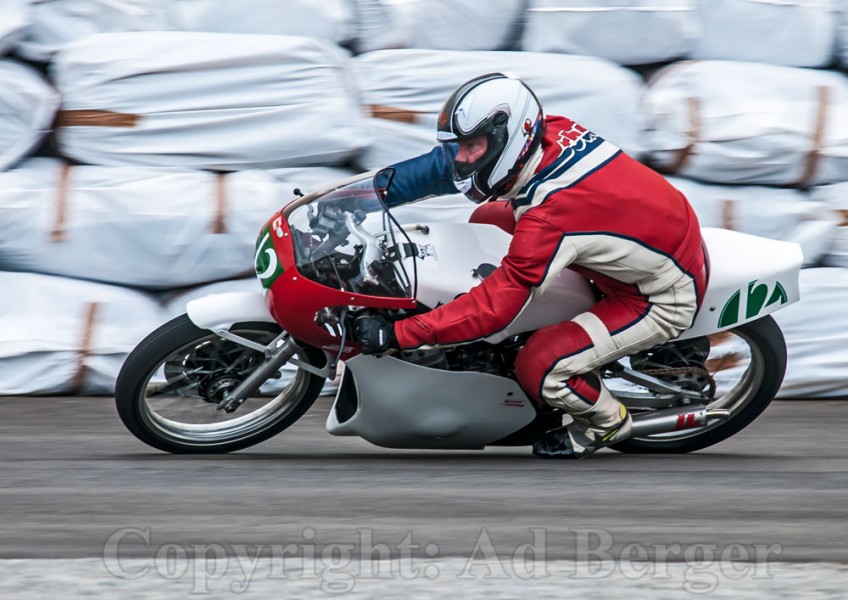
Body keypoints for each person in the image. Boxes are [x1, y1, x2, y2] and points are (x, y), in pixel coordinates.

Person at [354, 72, 708, 459]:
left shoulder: (549, 215)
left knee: (540, 364)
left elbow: (495, 308)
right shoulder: (546, 132)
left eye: (472, 146)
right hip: (649, 235)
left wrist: (401, 334)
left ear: (510, 139)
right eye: (459, 145)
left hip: (656, 295)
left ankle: (605, 424)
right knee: (489, 218)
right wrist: (365, 195)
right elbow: (440, 168)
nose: (461, 157)